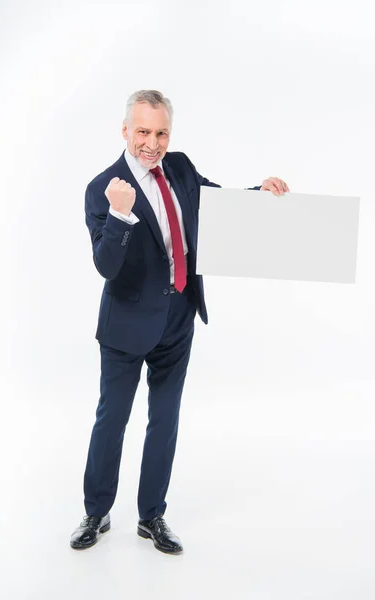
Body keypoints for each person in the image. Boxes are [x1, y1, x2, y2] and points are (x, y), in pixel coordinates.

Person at [70, 89, 290, 554]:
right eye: (144, 131)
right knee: (113, 420)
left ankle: (152, 516)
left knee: (164, 420)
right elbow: (106, 266)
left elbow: (214, 207)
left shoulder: (182, 167)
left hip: (178, 316)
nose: (153, 143)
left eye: (161, 132)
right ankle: (96, 512)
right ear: (125, 130)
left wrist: (258, 193)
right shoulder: (102, 187)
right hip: (127, 323)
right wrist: (119, 214)